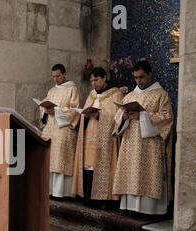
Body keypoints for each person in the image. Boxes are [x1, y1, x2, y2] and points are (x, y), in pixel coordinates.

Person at [112, 60, 173, 215]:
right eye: (136, 78)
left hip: (150, 145)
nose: (138, 80)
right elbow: (117, 118)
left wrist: (143, 116)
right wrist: (124, 116)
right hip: (130, 143)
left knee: (146, 174)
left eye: (142, 77)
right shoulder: (130, 96)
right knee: (131, 172)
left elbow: (166, 119)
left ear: (150, 74)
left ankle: (150, 210)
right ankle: (130, 207)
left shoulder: (161, 95)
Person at [71, 67, 124, 208]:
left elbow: (118, 117)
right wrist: (86, 115)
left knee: (100, 166)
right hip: (88, 136)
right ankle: (87, 197)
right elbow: (83, 113)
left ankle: (103, 200)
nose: (94, 83)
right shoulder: (92, 94)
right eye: (92, 81)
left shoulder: (116, 94)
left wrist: (99, 115)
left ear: (104, 78)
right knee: (88, 166)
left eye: (96, 80)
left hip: (105, 140)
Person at [40, 64, 82, 198]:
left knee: (60, 160)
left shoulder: (72, 89)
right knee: (49, 159)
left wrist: (57, 111)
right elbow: (43, 106)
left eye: (58, 76)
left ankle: (61, 192)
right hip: (50, 129)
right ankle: (50, 191)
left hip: (64, 130)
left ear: (64, 74)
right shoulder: (52, 91)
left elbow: (75, 109)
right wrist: (45, 111)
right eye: (53, 77)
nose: (56, 79)